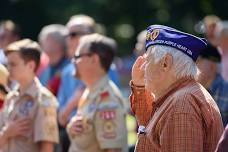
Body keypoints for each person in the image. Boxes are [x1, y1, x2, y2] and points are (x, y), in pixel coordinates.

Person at [130, 25, 223, 152]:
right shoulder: (179, 97)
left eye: (148, 60)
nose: (142, 67)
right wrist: (139, 87)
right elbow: (148, 124)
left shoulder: (181, 104)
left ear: (165, 63)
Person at [67, 33, 128, 152]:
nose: (73, 61)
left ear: (94, 59)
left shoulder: (107, 99)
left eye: (77, 56)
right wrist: (72, 128)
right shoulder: (90, 91)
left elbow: (113, 149)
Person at [0, 39, 59, 152]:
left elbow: (46, 147)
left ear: (31, 65)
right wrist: (7, 133)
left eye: (13, 64)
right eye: (7, 64)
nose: (8, 69)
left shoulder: (43, 99)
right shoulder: (10, 98)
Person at [38, 24, 69, 96]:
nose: (41, 41)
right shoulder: (43, 67)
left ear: (58, 43)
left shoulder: (69, 68)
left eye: (46, 39)